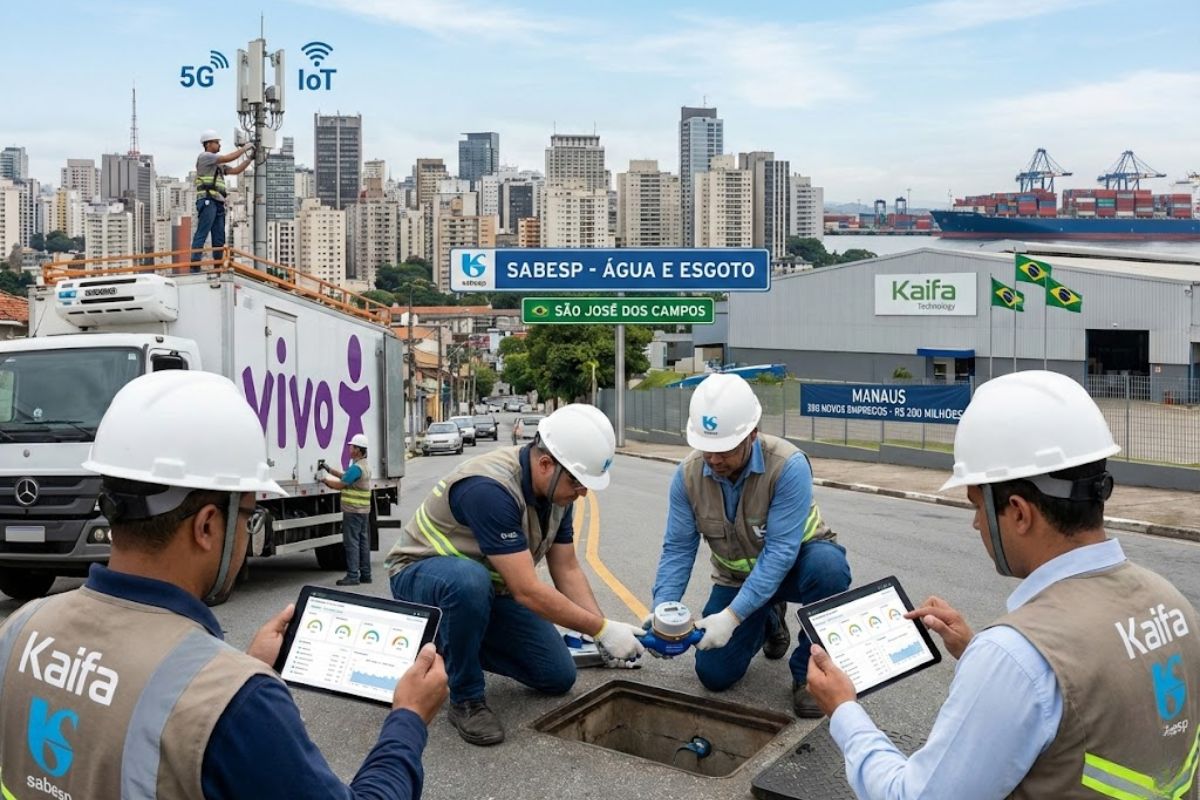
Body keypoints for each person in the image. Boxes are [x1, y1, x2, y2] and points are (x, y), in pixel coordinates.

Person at [0, 371, 448, 799]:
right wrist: (408, 718)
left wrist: (241, 667)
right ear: (208, 526)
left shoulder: (21, 629)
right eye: (250, 515)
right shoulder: (238, 702)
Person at [806, 370, 1200, 799]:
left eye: (977, 505)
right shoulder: (1172, 603)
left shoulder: (1016, 658)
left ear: (1018, 512)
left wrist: (844, 710)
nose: (976, 523)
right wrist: (975, 648)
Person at [386, 403, 645, 746]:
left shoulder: (557, 495)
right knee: (468, 582)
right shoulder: (489, 489)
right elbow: (526, 590)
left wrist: (603, 636)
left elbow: (566, 568)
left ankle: (447, 643)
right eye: (578, 482)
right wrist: (601, 627)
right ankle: (466, 698)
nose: (583, 492)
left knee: (557, 675)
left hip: (486, 597)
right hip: (422, 578)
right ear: (545, 464)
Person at [649, 373, 851, 718]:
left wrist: (730, 617)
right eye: (706, 447)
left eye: (724, 449)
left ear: (752, 435)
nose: (713, 459)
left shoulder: (788, 466)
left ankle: (807, 673)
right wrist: (663, 613)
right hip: (739, 580)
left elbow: (780, 554)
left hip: (795, 568)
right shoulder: (686, 476)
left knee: (829, 570)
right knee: (713, 674)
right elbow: (679, 549)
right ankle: (769, 616)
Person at [191, 129, 253, 269]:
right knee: (203, 232)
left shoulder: (217, 164)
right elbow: (228, 157)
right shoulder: (205, 157)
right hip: (208, 200)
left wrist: (250, 159)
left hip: (218, 201)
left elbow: (235, 170)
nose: (219, 146)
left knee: (219, 236)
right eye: (217, 143)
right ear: (208, 144)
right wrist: (245, 148)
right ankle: (194, 265)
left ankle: (218, 266)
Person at [320, 433, 373, 586]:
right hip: (363, 511)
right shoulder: (363, 466)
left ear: (358, 450)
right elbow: (345, 476)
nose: (349, 448)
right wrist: (329, 470)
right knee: (363, 542)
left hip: (353, 511)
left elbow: (341, 484)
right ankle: (366, 574)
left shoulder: (356, 468)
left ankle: (352, 576)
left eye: (352, 446)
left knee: (352, 543)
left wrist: (324, 480)